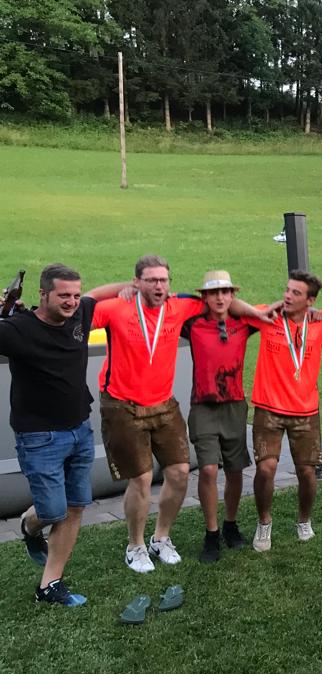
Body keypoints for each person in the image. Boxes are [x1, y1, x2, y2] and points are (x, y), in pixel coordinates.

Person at [92, 254, 262, 573]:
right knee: (141, 478)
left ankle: (161, 537)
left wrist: (256, 313)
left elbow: (225, 303)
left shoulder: (180, 306)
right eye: (151, 280)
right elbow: (83, 304)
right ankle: (135, 546)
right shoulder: (116, 307)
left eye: (163, 280)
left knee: (180, 472)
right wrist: (120, 287)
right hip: (123, 405)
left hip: (163, 403)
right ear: (137, 282)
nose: (159, 286)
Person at [0, 265, 124, 605]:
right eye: (63, 296)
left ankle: (49, 584)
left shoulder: (80, 313)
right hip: (39, 438)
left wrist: (133, 285)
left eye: (75, 295)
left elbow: (98, 294)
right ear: (43, 294)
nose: (71, 301)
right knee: (53, 511)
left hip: (80, 430)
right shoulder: (18, 330)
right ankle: (29, 525)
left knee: (75, 506)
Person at [248, 270, 322, 550]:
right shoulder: (269, 316)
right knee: (266, 469)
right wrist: (273, 306)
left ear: (310, 301)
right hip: (268, 408)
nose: (287, 296)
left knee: (307, 472)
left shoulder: (319, 325)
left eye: (295, 293)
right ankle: (264, 522)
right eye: (287, 290)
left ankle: (304, 520)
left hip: (305, 412)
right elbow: (236, 309)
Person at [180, 270, 258, 563]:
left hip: (234, 405)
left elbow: (271, 312)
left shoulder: (244, 323)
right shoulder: (193, 324)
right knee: (209, 469)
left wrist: (235, 306)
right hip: (203, 405)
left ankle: (230, 524)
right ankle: (211, 533)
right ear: (204, 297)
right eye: (213, 293)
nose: (220, 298)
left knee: (235, 469)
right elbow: (175, 304)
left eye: (225, 292)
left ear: (233, 295)